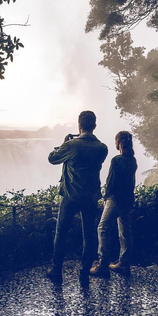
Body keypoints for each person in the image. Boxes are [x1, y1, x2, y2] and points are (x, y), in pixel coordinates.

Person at [46, 111, 108, 283]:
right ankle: (84, 271)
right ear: (94, 126)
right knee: (89, 234)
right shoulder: (102, 148)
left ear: (79, 125)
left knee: (61, 233)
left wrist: (64, 143)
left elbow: (52, 159)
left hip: (70, 196)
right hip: (90, 197)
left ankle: (57, 270)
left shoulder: (71, 145)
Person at [90, 131, 137, 278]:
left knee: (102, 228)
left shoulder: (116, 160)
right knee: (125, 230)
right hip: (127, 200)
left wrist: (104, 196)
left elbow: (110, 183)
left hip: (115, 200)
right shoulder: (132, 160)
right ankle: (124, 263)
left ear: (118, 143)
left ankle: (103, 264)